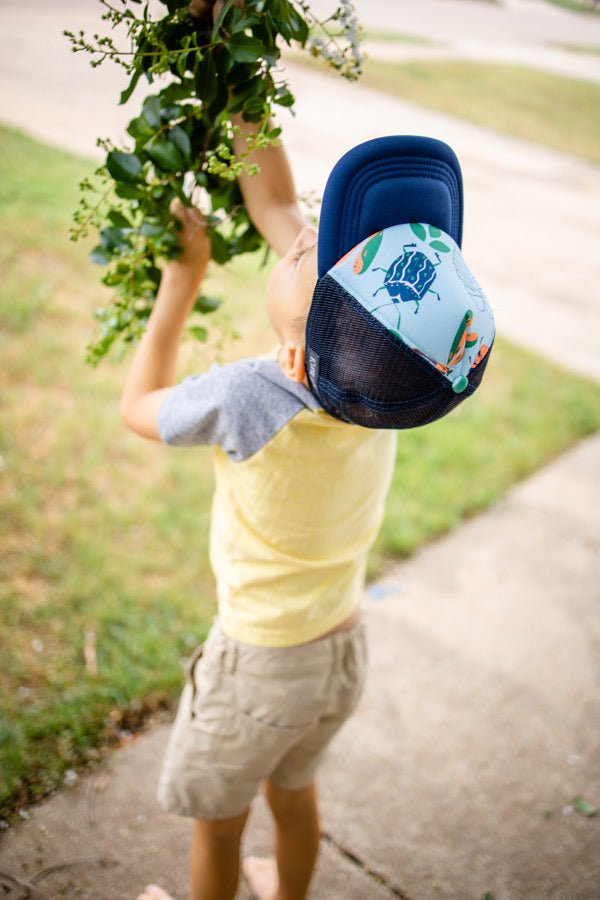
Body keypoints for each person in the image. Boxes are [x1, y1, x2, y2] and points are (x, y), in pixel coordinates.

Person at [125, 8, 495, 900]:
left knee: (219, 829)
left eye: (300, 253)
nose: (297, 231)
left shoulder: (256, 394)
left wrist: (180, 284)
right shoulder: (386, 388)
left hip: (259, 661)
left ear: (297, 353)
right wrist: (236, 79)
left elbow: (137, 408)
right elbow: (277, 201)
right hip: (339, 654)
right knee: (295, 799)